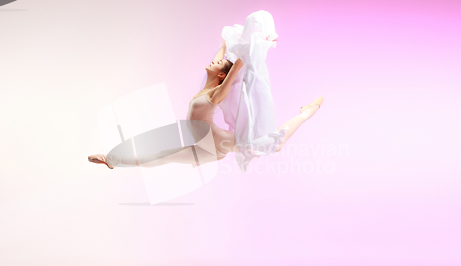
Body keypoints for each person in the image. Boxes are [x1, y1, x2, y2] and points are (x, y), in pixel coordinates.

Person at [88, 11, 323, 170]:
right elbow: (222, 52)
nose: (214, 61)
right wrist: (225, 42)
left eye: (218, 64)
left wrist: (255, 45)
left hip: (213, 143)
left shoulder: (214, 95)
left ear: (222, 75)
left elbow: (236, 66)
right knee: (162, 156)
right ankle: (112, 160)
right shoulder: (207, 86)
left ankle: (306, 113)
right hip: (203, 145)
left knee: (273, 145)